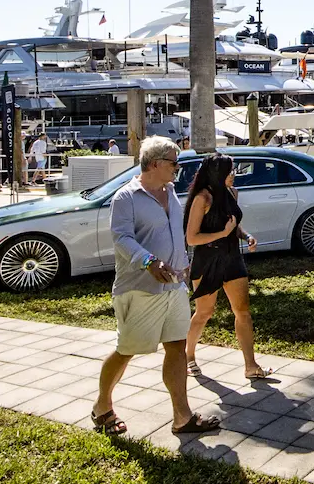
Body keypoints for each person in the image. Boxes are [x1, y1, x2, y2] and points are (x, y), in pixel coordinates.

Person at [93, 135, 219, 438]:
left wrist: (183, 264)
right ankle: (102, 407)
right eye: (173, 163)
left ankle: (182, 417)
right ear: (155, 164)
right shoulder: (126, 197)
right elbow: (121, 238)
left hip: (174, 287)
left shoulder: (171, 191)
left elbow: (175, 235)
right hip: (140, 288)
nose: (177, 168)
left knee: (176, 346)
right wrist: (149, 260)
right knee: (127, 350)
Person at [183, 154, 271, 380]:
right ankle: (188, 356)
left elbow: (234, 225)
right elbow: (192, 238)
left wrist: (246, 236)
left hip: (232, 258)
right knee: (205, 312)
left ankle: (250, 366)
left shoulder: (233, 193)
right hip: (208, 261)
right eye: (230, 171)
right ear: (217, 173)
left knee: (243, 311)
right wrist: (222, 234)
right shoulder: (202, 199)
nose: (234, 175)